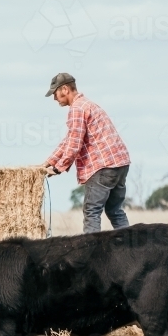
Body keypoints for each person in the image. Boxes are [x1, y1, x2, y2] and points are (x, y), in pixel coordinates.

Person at [42, 72, 131, 233]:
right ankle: (132, 250)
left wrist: (58, 168)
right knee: (115, 211)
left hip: (103, 166)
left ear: (65, 89)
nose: (54, 98)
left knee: (91, 212)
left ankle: (93, 256)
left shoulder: (76, 109)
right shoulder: (88, 105)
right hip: (121, 163)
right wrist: (47, 163)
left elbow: (74, 143)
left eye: (55, 93)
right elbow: (69, 139)